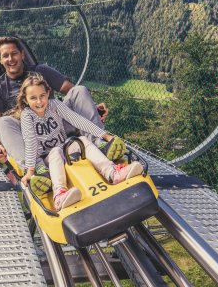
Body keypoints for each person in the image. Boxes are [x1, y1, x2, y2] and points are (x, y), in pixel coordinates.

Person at [0, 36, 123, 177]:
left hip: (57, 126)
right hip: (30, 138)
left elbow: (71, 90)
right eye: (5, 56)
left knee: (80, 90)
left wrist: (93, 107)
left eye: (14, 53)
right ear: (0, 59)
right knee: (1, 122)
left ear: (22, 54)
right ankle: (37, 171)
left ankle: (99, 143)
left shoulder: (41, 71)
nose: (10, 59)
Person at [16, 73, 144, 210]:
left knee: (82, 140)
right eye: (33, 98)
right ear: (25, 100)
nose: (39, 102)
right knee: (55, 151)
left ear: (48, 93)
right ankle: (59, 195)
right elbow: (30, 142)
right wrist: (30, 171)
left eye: (42, 96)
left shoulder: (54, 105)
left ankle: (112, 173)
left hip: (64, 147)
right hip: (48, 157)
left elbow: (77, 120)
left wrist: (105, 135)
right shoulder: (27, 115)